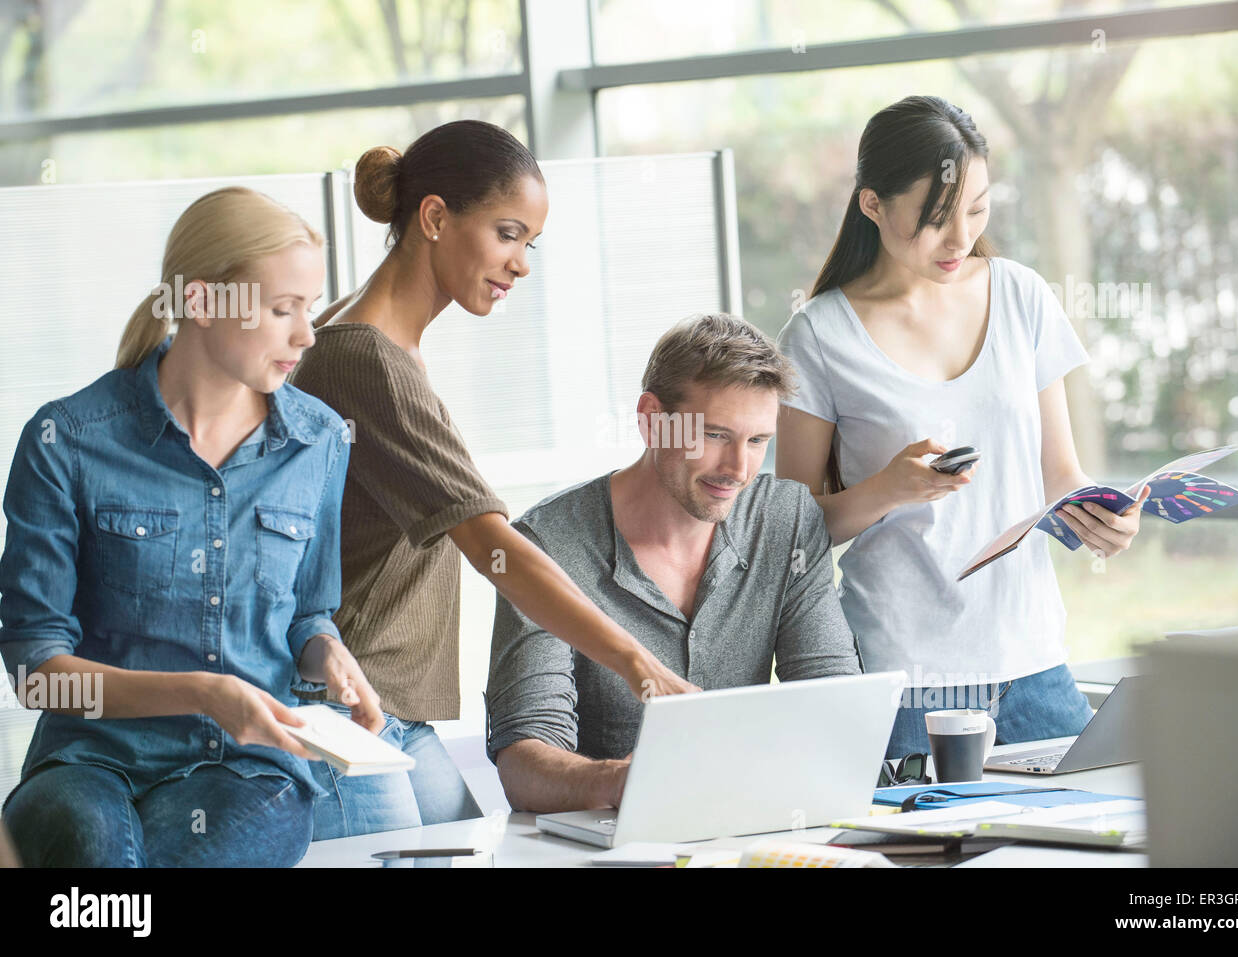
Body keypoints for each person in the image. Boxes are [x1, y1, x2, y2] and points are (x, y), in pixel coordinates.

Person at [289, 120, 697, 839]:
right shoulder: (367, 360)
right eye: (508, 233)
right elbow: (492, 548)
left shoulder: (372, 341)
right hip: (346, 712)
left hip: (391, 713)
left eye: (529, 243)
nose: (521, 264)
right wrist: (637, 662)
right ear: (436, 217)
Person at [0, 186, 381, 867]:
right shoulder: (68, 440)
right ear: (202, 301)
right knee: (94, 858)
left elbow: (308, 613)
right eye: (283, 309)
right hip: (89, 761)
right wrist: (202, 691)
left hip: (245, 770)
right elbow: (36, 671)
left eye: (310, 309)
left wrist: (327, 653)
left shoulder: (319, 439)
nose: (306, 334)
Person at [774, 95, 1148, 759]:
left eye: (978, 211)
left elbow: (1060, 475)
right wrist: (889, 489)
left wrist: (1103, 519)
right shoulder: (819, 335)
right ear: (872, 205)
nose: (961, 239)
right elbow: (790, 529)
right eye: (936, 219)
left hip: (1032, 658)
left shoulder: (1021, 295)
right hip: (907, 676)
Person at [484, 313, 863, 812]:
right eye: (714, 436)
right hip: (604, 844)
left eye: (757, 441)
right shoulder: (547, 544)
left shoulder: (786, 519)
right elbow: (524, 763)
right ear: (650, 419)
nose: (738, 469)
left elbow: (832, 699)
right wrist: (628, 783)